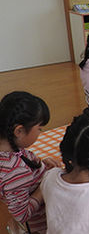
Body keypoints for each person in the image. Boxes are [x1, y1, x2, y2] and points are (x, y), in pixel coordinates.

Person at [0, 92, 59, 234]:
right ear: (19, 131)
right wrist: (43, 187)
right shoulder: (15, 171)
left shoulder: (11, 150)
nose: (40, 132)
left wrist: (40, 165)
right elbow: (22, 214)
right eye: (39, 128)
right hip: (42, 224)